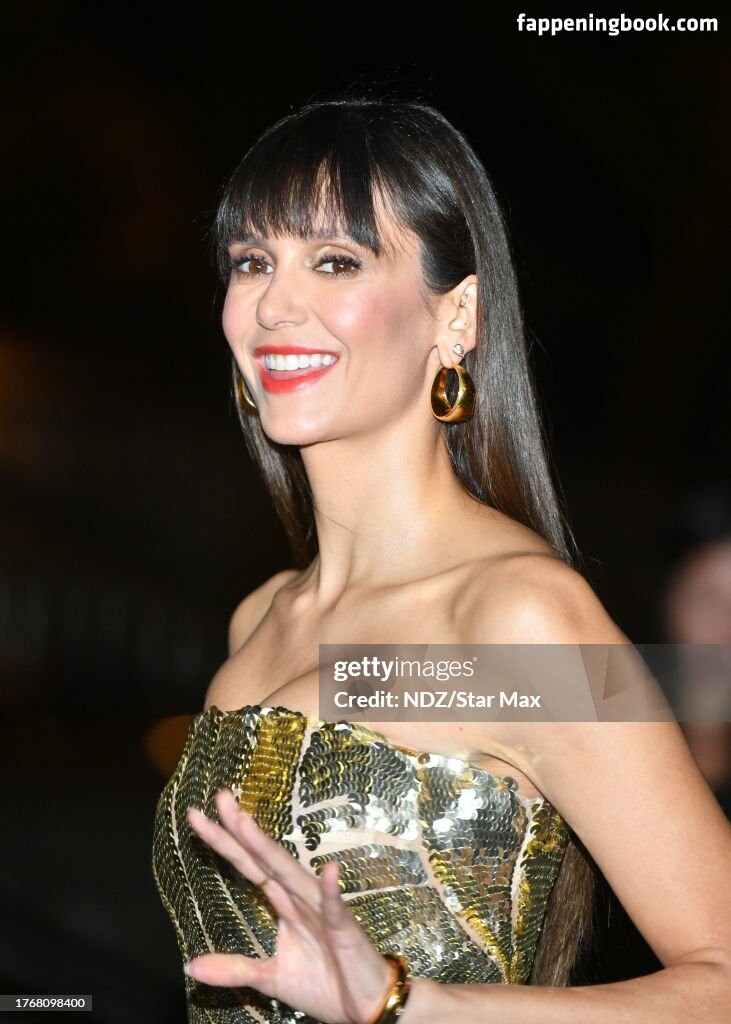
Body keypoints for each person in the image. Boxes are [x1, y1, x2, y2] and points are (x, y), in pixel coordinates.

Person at [152, 98, 731, 1023]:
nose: (272, 305)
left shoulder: (516, 618)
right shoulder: (260, 618)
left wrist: (400, 1002)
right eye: (252, 261)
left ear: (454, 314)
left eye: (334, 261)